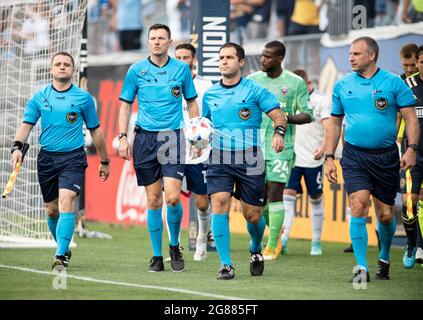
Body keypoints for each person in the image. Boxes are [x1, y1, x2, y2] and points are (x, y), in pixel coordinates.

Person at [325, 36, 419, 283]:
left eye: (356, 54)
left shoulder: (394, 83)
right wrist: (328, 157)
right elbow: (334, 123)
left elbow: (410, 118)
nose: (351, 58)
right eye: (350, 54)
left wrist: (412, 149)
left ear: (371, 55)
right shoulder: (342, 85)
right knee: (358, 205)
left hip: (386, 157)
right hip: (354, 155)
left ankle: (384, 257)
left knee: (386, 216)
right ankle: (361, 267)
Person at [11, 51, 110, 271]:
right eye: (58, 64)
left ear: (73, 70)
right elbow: (26, 126)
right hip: (46, 158)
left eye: (66, 64)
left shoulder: (83, 98)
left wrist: (104, 161)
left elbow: (96, 131)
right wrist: (16, 148)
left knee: (67, 202)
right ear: (51, 69)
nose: (62, 67)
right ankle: (63, 246)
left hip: (73, 158)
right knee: (51, 210)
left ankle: (59, 256)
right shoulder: (39, 97)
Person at [117, 24, 199, 273]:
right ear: (148, 42)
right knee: (153, 200)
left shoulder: (181, 69)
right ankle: (156, 255)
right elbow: (125, 105)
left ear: (170, 42)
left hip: (172, 137)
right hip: (144, 140)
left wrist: (195, 133)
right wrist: (123, 136)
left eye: (161, 38)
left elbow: (192, 103)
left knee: (173, 197)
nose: (156, 42)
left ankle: (174, 246)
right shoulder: (136, 70)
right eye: (152, 38)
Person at [202, 42, 286, 280]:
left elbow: (277, 114)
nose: (224, 61)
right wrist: (196, 139)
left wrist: (279, 133)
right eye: (221, 57)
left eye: (229, 57)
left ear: (241, 62)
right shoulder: (211, 94)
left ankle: (255, 248)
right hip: (219, 157)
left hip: (250, 157)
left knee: (253, 216)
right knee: (218, 203)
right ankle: (226, 264)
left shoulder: (255, 90)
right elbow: (205, 126)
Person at [247, 40, 312, 261]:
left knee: (275, 192)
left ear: (280, 58)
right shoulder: (252, 81)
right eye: (262, 55)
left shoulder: (295, 83)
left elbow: (307, 113)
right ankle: (275, 233)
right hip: (254, 146)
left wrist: (285, 118)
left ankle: (273, 245)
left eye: (268, 56)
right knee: (259, 198)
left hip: (281, 146)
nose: (263, 60)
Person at [281, 69, 330, 256]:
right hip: (292, 157)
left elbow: (329, 127)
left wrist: (324, 147)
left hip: (313, 158)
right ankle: (283, 239)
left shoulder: (321, 100)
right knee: (287, 197)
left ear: (306, 82)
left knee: (315, 199)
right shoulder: (291, 99)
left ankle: (316, 242)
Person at [174, 42, 214, 261]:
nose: (181, 62)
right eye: (177, 57)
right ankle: (175, 246)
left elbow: (208, 117)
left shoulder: (205, 85)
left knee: (201, 200)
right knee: (171, 198)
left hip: (198, 149)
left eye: (185, 58)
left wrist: (201, 143)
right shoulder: (166, 82)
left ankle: (201, 241)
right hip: (170, 146)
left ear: (193, 60)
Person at [399, 45, 423, 268]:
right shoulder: (407, 86)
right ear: (418, 62)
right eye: (422, 62)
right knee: (409, 203)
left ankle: (421, 247)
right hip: (412, 153)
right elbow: (397, 117)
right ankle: (412, 242)